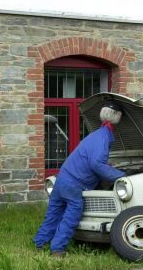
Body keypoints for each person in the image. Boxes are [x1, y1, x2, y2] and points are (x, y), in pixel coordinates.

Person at [33, 100, 126, 257]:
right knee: (71, 216)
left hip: (62, 179)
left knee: (53, 215)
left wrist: (107, 164)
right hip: (74, 184)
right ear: (116, 116)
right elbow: (96, 164)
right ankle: (57, 250)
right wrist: (121, 175)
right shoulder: (103, 137)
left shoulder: (96, 135)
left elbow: (92, 159)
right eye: (120, 115)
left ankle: (39, 243)